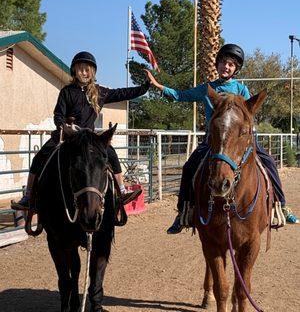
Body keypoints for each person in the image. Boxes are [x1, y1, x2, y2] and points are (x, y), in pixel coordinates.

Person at [146, 43, 299, 233]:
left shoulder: (242, 90)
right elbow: (181, 95)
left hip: (240, 139)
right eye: (223, 63)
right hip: (214, 139)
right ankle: (184, 212)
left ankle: (281, 205)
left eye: (231, 65)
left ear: (236, 69)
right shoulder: (206, 89)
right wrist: (159, 86)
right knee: (189, 167)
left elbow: (249, 114)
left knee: (269, 162)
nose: (226, 67)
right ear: (217, 64)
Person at [11, 51, 149, 210]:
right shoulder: (67, 91)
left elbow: (123, 93)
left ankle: (121, 191)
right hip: (69, 135)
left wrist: (144, 87)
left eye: (87, 69)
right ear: (74, 71)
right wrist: (63, 126)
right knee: (40, 157)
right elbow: (58, 114)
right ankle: (30, 196)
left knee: (111, 154)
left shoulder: (100, 92)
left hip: (89, 137)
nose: (84, 72)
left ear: (93, 72)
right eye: (80, 69)